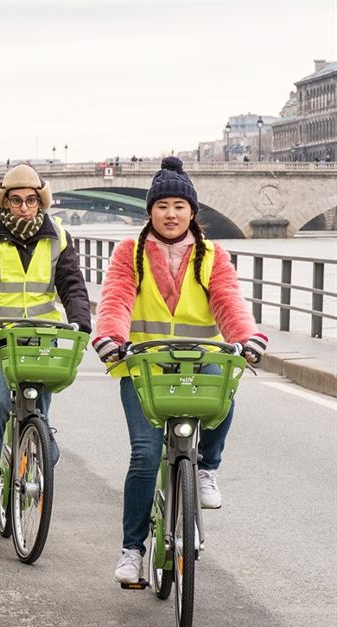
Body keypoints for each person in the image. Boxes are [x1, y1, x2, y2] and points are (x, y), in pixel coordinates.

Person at [92, 157, 268, 583]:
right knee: (145, 455)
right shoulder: (128, 254)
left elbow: (228, 302)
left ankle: (207, 466)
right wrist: (110, 338)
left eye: (179, 206)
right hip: (144, 367)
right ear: (150, 211)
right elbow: (116, 299)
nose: (171, 214)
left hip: (199, 358)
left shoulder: (212, 255)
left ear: (192, 212)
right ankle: (132, 549)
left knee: (226, 382)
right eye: (162, 206)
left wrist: (249, 338)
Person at [0, 163, 91, 522]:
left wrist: (81, 320)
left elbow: (71, 283)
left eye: (31, 200)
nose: (23, 207)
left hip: (40, 334)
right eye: (16, 200)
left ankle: (41, 431)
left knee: (37, 405)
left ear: (41, 201)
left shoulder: (59, 235)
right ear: (4, 202)